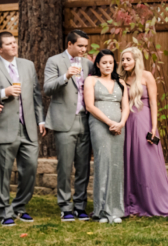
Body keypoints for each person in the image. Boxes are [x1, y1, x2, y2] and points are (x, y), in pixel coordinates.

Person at [0, 32, 44, 226]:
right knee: (2, 171)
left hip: (28, 126)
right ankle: (4, 211)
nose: (14, 46)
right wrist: (4, 93)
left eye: (14, 42)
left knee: (30, 168)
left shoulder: (28, 65)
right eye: (8, 44)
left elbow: (36, 94)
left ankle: (19, 207)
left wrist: (40, 120)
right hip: (3, 126)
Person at [120, 46, 168, 217]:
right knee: (130, 162)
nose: (124, 62)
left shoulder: (147, 76)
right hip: (127, 123)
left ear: (136, 60)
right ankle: (132, 202)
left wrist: (153, 128)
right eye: (123, 59)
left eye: (128, 59)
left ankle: (158, 201)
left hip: (144, 123)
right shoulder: (121, 78)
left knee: (148, 163)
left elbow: (154, 104)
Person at [43, 29, 93, 221]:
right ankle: (65, 206)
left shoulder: (89, 64)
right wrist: (65, 77)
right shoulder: (54, 61)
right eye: (80, 46)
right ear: (69, 44)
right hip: (64, 121)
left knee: (83, 167)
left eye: (86, 46)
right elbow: (47, 89)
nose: (83, 49)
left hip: (85, 121)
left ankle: (80, 206)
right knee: (64, 167)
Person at [84, 49, 130, 224]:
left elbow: (125, 107)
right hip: (99, 124)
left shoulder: (121, 83)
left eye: (111, 62)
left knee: (117, 164)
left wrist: (120, 123)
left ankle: (116, 209)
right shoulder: (91, 80)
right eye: (104, 63)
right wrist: (109, 122)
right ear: (97, 64)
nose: (108, 65)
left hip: (119, 127)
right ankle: (101, 210)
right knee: (103, 163)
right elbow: (90, 106)